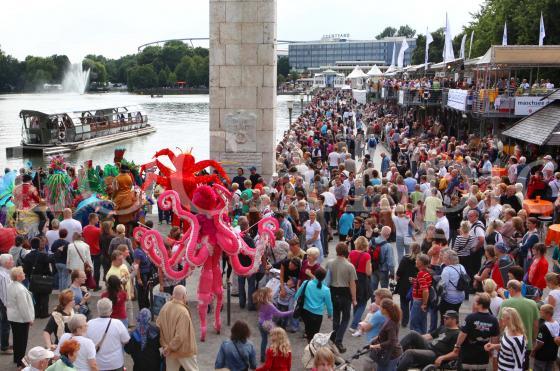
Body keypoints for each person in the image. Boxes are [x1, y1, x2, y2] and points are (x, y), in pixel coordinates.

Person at [156, 285, 198, 371]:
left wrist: (165, 346)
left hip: (169, 350)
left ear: (173, 294)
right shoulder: (183, 312)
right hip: (184, 351)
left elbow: (158, 327)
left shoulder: (165, 307)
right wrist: (170, 347)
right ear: (184, 296)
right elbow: (180, 336)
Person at [325, 242, 357, 353]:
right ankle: (338, 340)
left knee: (336, 316)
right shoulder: (349, 266)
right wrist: (354, 299)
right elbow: (352, 284)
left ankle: (334, 338)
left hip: (333, 291)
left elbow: (326, 279)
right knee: (346, 318)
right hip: (345, 293)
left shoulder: (329, 263)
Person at [452, 293, 500, 368]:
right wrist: (491, 351)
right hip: (483, 358)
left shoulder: (470, 317)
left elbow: (462, 334)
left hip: (467, 356)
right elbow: (495, 339)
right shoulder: (494, 320)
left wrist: (457, 346)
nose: (473, 303)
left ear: (480, 305)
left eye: (475, 302)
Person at [86, 298, 129, 371]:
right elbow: (126, 340)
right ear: (111, 310)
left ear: (98, 310)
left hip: (97, 364)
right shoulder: (117, 323)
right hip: (115, 363)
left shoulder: (89, 324)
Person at [252, 287, 293, 362]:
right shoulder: (269, 305)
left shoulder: (260, 302)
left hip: (261, 323)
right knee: (275, 340)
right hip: (268, 324)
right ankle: (274, 355)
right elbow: (279, 314)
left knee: (264, 340)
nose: (272, 293)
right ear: (267, 295)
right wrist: (291, 312)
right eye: (270, 292)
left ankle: (262, 357)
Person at [499, 280, 540, 354]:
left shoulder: (505, 303)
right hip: (526, 343)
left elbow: (501, 324)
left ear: (511, 289)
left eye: (508, 289)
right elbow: (536, 325)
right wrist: (534, 340)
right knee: (524, 365)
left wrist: (499, 337)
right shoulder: (533, 303)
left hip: (508, 342)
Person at [294, 267, 332, 342]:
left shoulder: (306, 283)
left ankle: (309, 346)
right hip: (317, 315)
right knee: (314, 336)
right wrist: (330, 314)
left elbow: (296, 295)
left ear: (314, 274)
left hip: (305, 312)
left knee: (308, 332)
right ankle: (311, 349)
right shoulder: (326, 290)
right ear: (324, 277)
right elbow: (329, 305)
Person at [7, 266, 34, 368]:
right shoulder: (20, 289)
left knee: (16, 339)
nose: (24, 274)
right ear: (18, 276)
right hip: (21, 319)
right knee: (22, 341)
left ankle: (16, 358)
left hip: (13, 317)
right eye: (22, 273)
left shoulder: (11, 285)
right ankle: (20, 362)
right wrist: (29, 319)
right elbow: (24, 307)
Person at [367, 298, 402, 371]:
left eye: (380, 306)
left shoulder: (391, 323)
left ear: (385, 310)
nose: (379, 308)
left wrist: (375, 346)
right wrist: (376, 338)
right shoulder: (391, 319)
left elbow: (392, 341)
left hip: (391, 355)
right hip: (391, 353)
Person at [22, 237, 52, 318]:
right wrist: (48, 275)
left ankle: (36, 312)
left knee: (35, 296)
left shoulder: (28, 256)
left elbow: (25, 269)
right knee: (44, 296)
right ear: (39, 245)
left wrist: (29, 276)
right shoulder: (44, 255)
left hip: (33, 279)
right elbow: (48, 268)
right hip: (43, 278)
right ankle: (44, 313)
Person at [348, 236, 372, 331]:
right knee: (362, 303)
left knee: (355, 301)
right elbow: (368, 272)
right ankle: (354, 325)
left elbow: (349, 267)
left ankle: (357, 320)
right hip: (362, 280)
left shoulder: (352, 253)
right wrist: (371, 268)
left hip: (353, 279)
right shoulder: (367, 256)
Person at [394, 243, 419, 328]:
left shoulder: (405, 258)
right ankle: (413, 320)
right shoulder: (421, 259)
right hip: (416, 284)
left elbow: (400, 271)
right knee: (414, 303)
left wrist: (397, 277)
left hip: (404, 284)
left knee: (404, 303)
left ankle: (404, 321)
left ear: (410, 249)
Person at [438, 250, 466, 323]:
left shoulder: (447, 269)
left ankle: (445, 329)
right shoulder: (461, 266)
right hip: (460, 296)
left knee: (444, 316)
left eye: (444, 257)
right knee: (455, 313)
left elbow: (443, 286)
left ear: (449, 259)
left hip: (450, 298)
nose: (443, 259)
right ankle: (455, 326)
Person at [531, 304, 560, 371]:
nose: (540, 313)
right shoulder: (557, 324)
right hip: (553, 354)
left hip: (542, 355)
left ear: (547, 313)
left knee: (538, 368)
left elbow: (540, 343)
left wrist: (534, 350)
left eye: (541, 312)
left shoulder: (543, 326)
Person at [410, 254, 431, 334]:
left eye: (417, 260)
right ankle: (423, 341)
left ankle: (417, 341)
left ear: (421, 262)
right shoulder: (427, 272)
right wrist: (415, 281)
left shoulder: (421, 274)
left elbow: (425, 290)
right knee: (422, 322)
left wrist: (424, 304)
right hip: (422, 301)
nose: (415, 261)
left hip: (419, 301)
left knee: (414, 323)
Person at [82, 213, 101, 288]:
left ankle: (87, 285)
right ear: (92, 219)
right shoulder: (98, 230)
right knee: (97, 270)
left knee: (87, 269)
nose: (98, 220)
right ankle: (96, 286)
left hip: (87, 252)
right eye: (97, 219)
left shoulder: (84, 228)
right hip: (96, 251)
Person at [0, 253, 13, 354]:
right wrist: (8, 306)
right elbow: (4, 294)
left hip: (3, 303)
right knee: (5, 324)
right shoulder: (3, 276)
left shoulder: (4, 273)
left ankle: (5, 344)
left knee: (4, 324)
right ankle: (4, 346)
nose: (12, 262)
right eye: (11, 260)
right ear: (6, 263)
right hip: (4, 303)